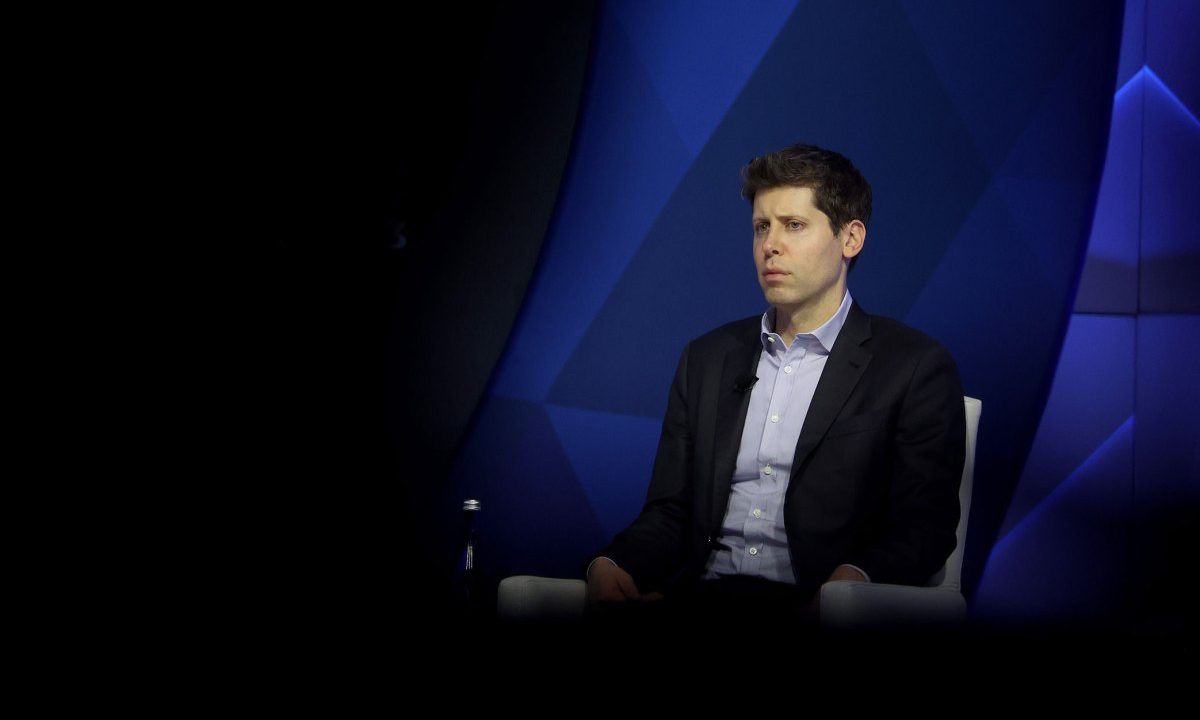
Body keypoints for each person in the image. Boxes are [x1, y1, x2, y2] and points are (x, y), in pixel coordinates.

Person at [583, 143, 966, 628]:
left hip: (814, 611)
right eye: (762, 226)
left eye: (794, 225)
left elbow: (924, 529)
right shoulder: (706, 359)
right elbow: (671, 514)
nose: (771, 245)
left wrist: (850, 583)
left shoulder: (913, 367)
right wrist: (611, 564)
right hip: (702, 602)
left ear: (851, 238)